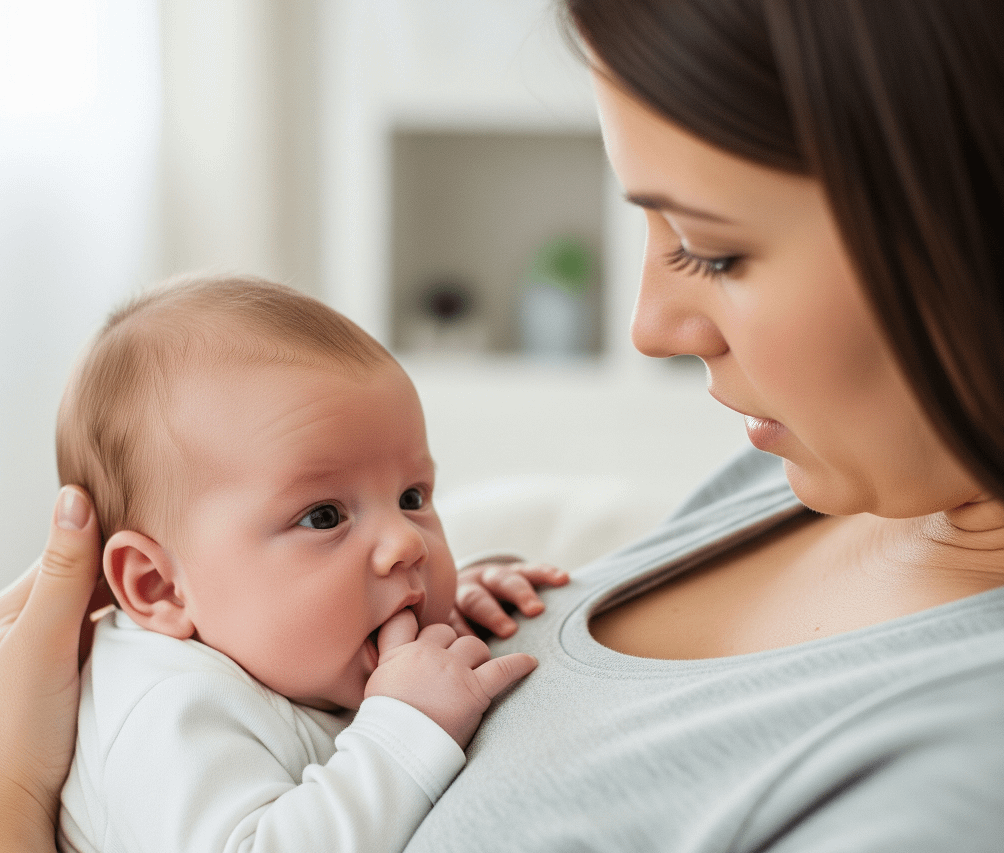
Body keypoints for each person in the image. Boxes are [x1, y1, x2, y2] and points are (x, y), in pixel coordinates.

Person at [5, 0, 1004, 850]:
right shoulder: (820, 464)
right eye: (323, 515)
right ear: (152, 583)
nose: (648, 327)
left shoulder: (940, 760)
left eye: (710, 249)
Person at [52, 275, 567, 853]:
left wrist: (464, 589)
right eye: (324, 517)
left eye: (412, 498)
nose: (407, 544)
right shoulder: (168, 710)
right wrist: (406, 729)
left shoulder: (269, 642)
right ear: (160, 587)